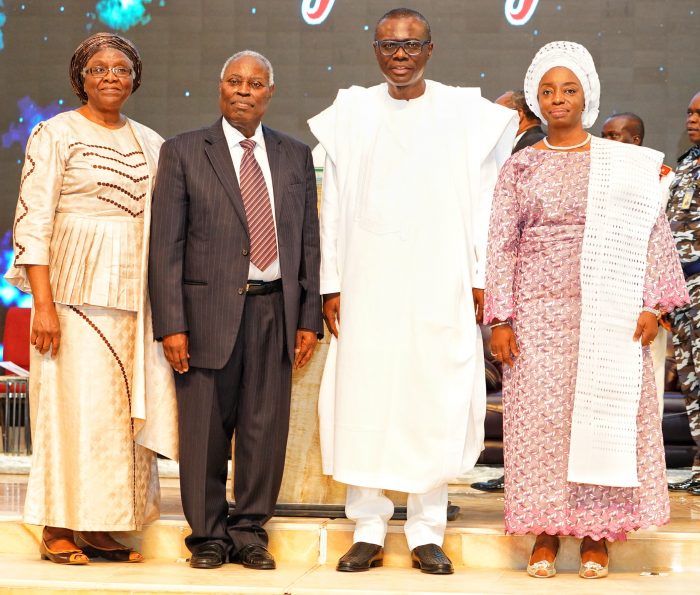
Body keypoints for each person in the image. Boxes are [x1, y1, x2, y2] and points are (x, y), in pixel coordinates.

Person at [309, 8, 516, 575]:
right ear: (375, 50)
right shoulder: (352, 111)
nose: (399, 55)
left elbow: (487, 201)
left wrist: (481, 275)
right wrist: (332, 283)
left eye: (411, 45)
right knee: (365, 398)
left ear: (429, 49)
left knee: (432, 396)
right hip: (367, 282)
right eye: (388, 45)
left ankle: (427, 530)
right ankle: (368, 528)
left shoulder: (464, 113)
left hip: (439, 280)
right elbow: (333, 206)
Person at [485, 41, 688, 580]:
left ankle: (599, 535)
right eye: (548, 91)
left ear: (587, 96)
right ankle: (546, 531)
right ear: (536, 99)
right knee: (542, 424)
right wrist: (501, 318)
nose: (558, 99)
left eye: (569, 89)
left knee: (604, 419)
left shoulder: (621, 163)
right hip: (537, 315)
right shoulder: (521, 167)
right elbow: (500, 244)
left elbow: (652, 233)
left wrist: (652, 305)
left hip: (610, 310)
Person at [4, 33, 178, 565]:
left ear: (135, 79)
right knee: (70, 409)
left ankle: (103, 526)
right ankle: (58, 525)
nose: (110, 77)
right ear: (81, 77)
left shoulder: (150, 141)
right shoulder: (55, 133)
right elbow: (33, 219)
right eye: (98, 68)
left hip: (134, 298)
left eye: (120, 69)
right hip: (72, 296)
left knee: (118, 416)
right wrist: (44, 306)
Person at [148, 50, 322, 570]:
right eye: (234, 81)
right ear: (220, 87)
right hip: (204, 314)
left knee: (264, 430)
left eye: (255, 83)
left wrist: (308, 317)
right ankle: (207, 534)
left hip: (275, 311)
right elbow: (165, 246)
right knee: (204, 429)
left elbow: (308, 243)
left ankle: (249, 531)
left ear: (270, 92)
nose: (244, 90)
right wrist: (171, 323)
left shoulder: (294, 155)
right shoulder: (183, 151)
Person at [472, 89, 546, 495]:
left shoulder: (531, 150)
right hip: (513, 287)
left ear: (517, 115)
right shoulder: (518, 148)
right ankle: (519, 472)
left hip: (529, 289)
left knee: (528, 387)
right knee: (518, 386)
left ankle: (525, 475)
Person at [600, 112, 673, 418]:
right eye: (603, 136)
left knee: (648, 373)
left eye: (613, 136)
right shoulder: (595, 175)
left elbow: (664, 242)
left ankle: (648, 444)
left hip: (646, 291)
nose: (606, 142)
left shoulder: (664, 177)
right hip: (604, 288)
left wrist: (654, 304)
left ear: (635, 140)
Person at [666, 92, 700, 495]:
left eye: (699, 113)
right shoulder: (688, 162)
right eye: (689, 112)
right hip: (684, 292)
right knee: (692, 381)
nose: (692, 119)